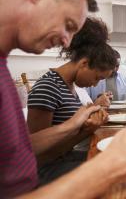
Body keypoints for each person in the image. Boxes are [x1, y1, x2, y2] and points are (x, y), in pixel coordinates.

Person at [0, 0, 126, 198]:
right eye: (67, 25)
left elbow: (19, 156)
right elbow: (30, 161)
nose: (67, 43)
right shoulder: (45, 86)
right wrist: (104, 167)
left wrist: (80, 127)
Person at [27, 17, 117, 184]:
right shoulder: (48, 87)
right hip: (45, 173)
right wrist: (83, 131)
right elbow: (34, 155)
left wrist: (88, 128)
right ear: (84, 63)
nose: (96, 84)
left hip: (65, 159)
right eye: (97, 77)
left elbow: (63, 143)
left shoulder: (70, 86)